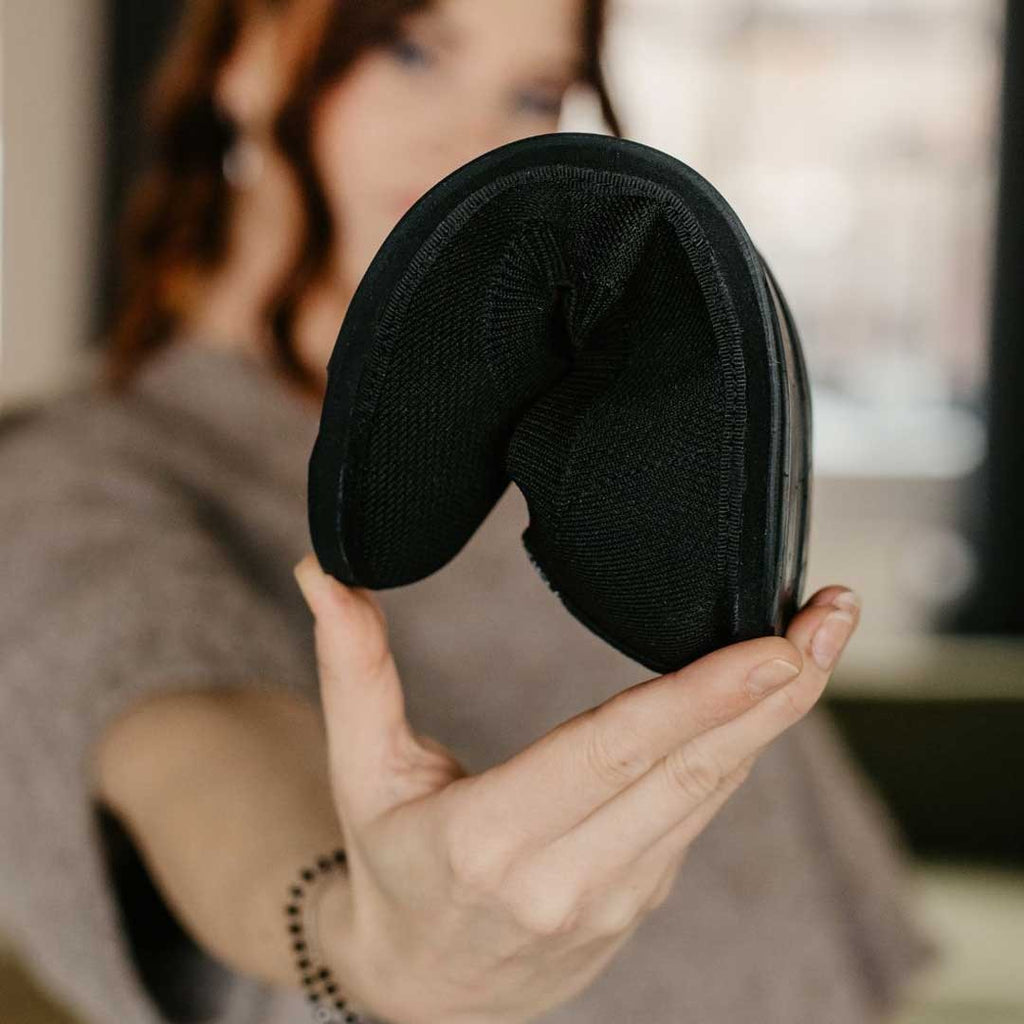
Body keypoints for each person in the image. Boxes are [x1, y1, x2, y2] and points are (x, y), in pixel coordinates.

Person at [0, 0, 939, 1022]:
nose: (474, 137)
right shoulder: (80, 474)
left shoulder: (564, 419)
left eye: (532, 91)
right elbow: (179, 731)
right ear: (245, 51)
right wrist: (363, 935)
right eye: (413, 52)